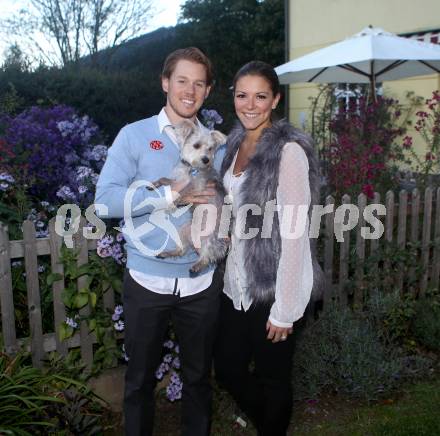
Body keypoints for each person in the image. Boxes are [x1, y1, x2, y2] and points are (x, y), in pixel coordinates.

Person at [95, 47, 225, 436]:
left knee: (199, 379)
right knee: (138, 383)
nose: (190, 90)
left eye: (199, 83)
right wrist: (170, 198)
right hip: (147, 281)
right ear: (165, 82)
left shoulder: (214, 143)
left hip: (201, 282)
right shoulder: (134, 136)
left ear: (207, 90)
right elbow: (103, 203)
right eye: (182, 80)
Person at [214, 61, 322, 436]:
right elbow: (231, 203)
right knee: (228, 368)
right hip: (235, 285)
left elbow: (295, 234)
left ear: (275, 99)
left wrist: (285, 309)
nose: (250, 104)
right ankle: (270, 426)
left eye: (260, 96)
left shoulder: (288, 152)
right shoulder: (233, 144)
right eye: (242, 95)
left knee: (274, 377)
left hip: (273, 285)